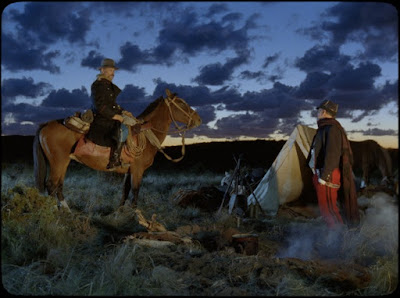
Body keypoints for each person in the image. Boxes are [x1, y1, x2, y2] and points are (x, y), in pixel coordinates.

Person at [307, 99, 359, 229]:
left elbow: (333, 154)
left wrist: (324, 176)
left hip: (328, 175)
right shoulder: (325, 128)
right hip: (323, 173)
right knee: (326, 210)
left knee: (329, 210)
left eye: (318, 111)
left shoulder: (332, 129)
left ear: (324, 111)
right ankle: (334, 236)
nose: (317, 114)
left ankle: (339, 237)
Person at [86, 58, 141, 169]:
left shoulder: (107, 85)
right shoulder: (98, 85)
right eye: (110, 70)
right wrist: (116, 116)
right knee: (124, 129)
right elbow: (100, 106)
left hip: (109, 115)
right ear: (102, 70)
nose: (113, 73)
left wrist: (123, 111)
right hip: (102, 118)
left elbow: (112, 104)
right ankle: (114, 160)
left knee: (134, 123)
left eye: (113, 70)